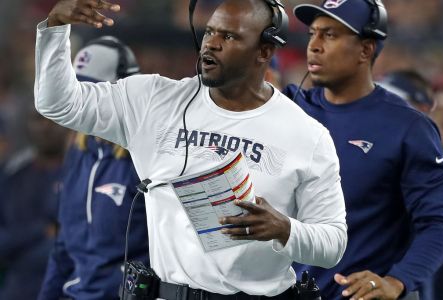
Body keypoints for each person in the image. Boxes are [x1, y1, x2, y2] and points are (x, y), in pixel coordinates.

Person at [34, 0, 348, 298]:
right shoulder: (153, 101)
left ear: (263, 51)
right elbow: (58, 103)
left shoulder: (307, 136)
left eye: (228, 36)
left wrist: (283, 229)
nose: (210, 43)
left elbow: (333, 244)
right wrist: (56, 26)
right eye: (209, 31)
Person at [284, 0, 443, 299]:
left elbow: (439, 224)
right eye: (313, 34)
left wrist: (397, 281)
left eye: (330, 35)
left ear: (366, 49)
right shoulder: (289, 109)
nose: (314, 46)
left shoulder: (407, 127)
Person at [37, 36, 149, 300]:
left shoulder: (145, 157)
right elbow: (63, 247)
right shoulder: (79, 150)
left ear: (124, 92)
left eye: (92, 92)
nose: (83, 102)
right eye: (77, 92)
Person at [0, 108, 69, 299]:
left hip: (66, 288)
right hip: (18, 288)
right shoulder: (12, 177)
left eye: (53, 119)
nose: (45, 126)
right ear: (28, 125)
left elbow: (73, 243)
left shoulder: (81, 176)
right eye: (38, 119)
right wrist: (41, 230)